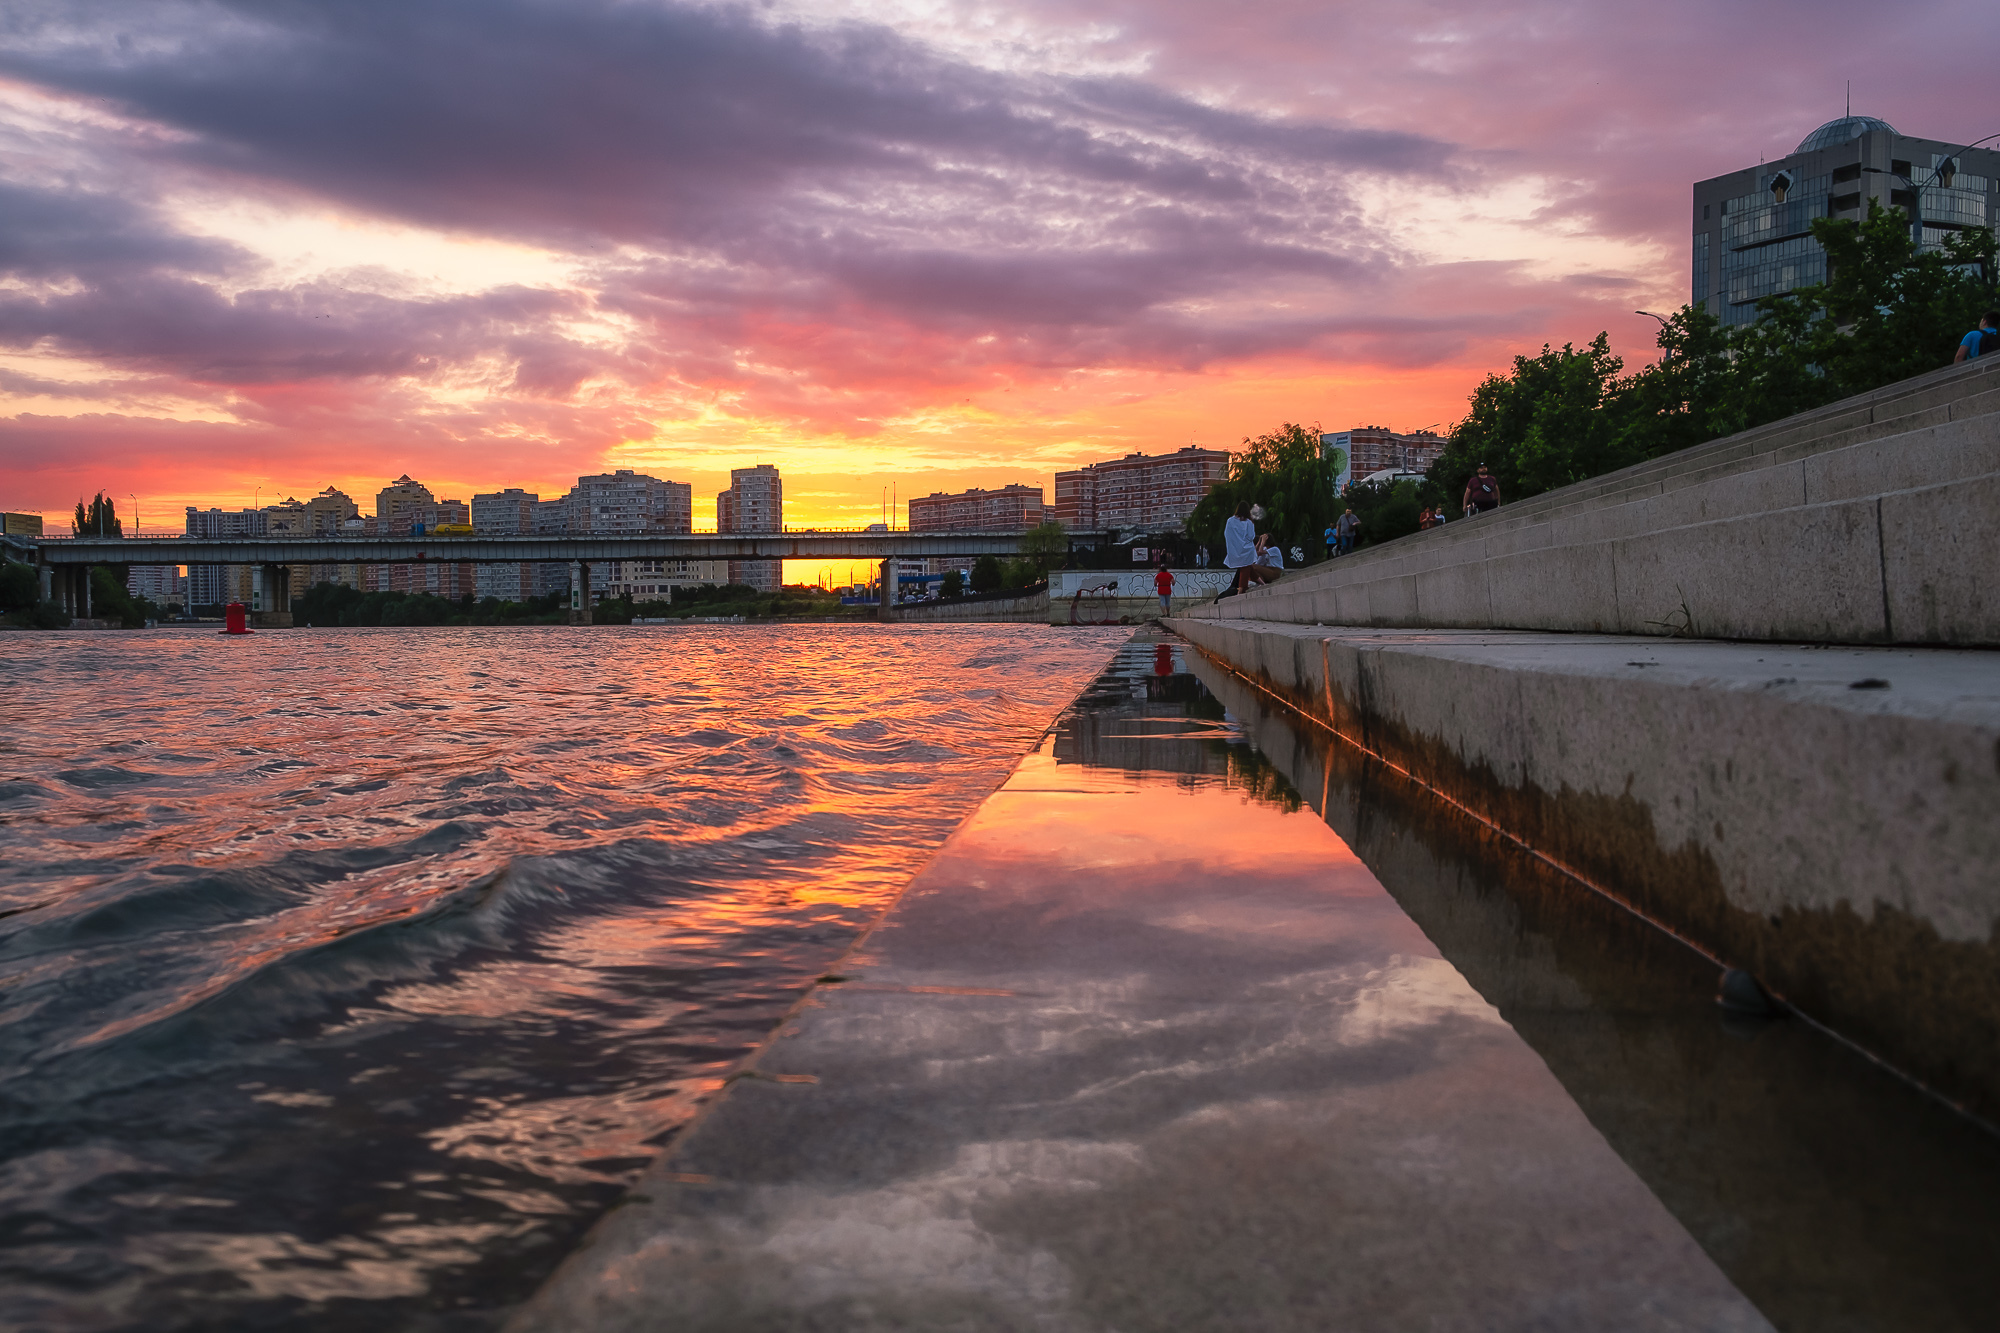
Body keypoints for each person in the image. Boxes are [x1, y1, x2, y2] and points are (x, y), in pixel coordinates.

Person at [1221, 500, 1273, 596]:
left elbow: (1227, 534)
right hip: (1247, 549)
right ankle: (1241, 588)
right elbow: (1251, 536)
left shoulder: (1230, 521)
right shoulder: (1248, 522)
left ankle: (1262, 583)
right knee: (1246, 566)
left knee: (1247, 567)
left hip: (1236, 549)